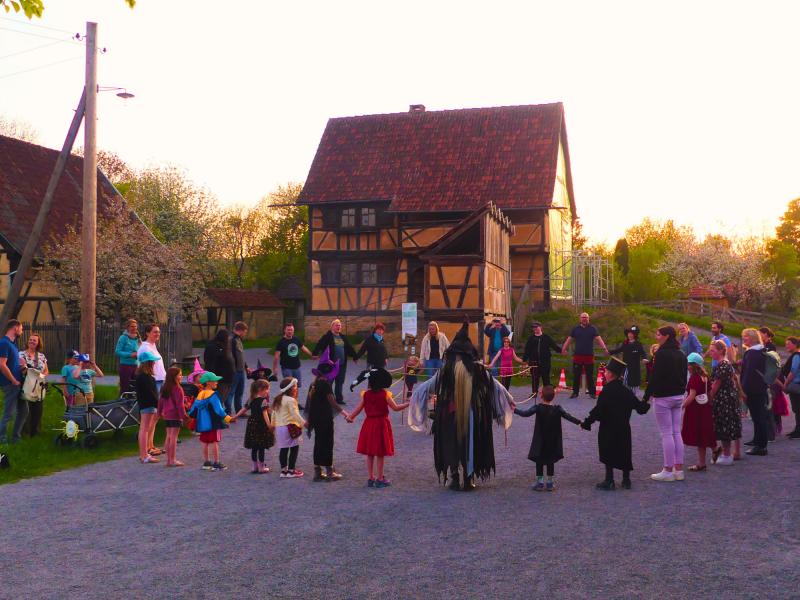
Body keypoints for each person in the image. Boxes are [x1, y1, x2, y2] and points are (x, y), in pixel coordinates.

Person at [408, 315, 515, 491]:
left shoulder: (446, 369)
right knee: (471, 442)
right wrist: (509, 400)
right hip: (472, 413)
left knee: (451, 443)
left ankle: (455, 478)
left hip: (449, 414)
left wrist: (414, 398)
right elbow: (495, 385)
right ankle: (468, 477)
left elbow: (427, 387)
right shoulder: (478, 369)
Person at [581, 357, 651, 490]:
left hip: (608, 427)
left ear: (611, 374)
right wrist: (646, 401)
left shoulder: (606, 391)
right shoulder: (626, 391)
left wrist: (587, 422)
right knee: (624, 450)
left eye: (606, 372)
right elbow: (640, 408)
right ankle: (626, 480)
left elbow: (598, 410)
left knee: (608, 451)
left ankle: (609, 480)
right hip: (624, 426)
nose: (604, 374)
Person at [346, 367, 409, 488]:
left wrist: (350, 416)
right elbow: (395, 408)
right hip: (381, 424)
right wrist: (409, 403)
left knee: (370, 452)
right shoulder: (385, 394)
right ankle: (380, 478)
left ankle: (370, 478)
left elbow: (358, 408)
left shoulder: (366, 394)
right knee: (380, 452)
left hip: (369, 424)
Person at [513, 385, 582, 491]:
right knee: (551, 460)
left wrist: (514, 409)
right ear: (554, 397)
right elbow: (568, 416)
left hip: (540, 439)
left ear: (541, 396)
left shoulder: (538, 407)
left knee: (539, 460)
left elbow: (525, 413)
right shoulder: (558, 409)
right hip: (552, 439)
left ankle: (540, 483)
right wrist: (580, 422)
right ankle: (550, 483)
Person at [643, 326, 688, 482]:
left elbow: (655, 376)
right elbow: (684, 374)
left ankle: (668, 470)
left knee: (666, 433)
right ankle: (678, 469)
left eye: (659, 335)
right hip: (678, 395)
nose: (657, 337)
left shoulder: (661, 353)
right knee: (676, 432)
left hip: (663, 396)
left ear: (666, 336)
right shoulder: (681, 353)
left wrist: (646, 395)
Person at [306, 349, 351, 482]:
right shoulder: (326, 385)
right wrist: (345, 413)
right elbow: (332, 401)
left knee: (318, 443)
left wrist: (309, 419)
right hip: (325, 418)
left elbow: (309, 403)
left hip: (315, 418)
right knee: (327, 443)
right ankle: (330, 471)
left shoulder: (313, 384)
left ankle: (317, 472)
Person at [188, 372, 237, 471]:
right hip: (213, 422)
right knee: (214, 441)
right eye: (214, 381)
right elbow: (219, 410)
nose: (217, 382)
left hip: (202, 423)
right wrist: (228, 419)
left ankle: (207, 462)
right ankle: (216, 462)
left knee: (205, 442)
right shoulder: (213, 395)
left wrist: (187, 417)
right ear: (208, 382)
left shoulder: (200, 394)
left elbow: (194, 408)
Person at [681, 353, 719, 471]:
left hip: (695, 409)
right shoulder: (705, 377)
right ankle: (703, 460)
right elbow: (709, 394)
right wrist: (710, 405)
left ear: (694, 366)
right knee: (703, 434)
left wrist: (681, 406)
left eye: (689, 365)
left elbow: (692, 395)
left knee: (698, 433)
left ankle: (705, 459)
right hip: (705, 408)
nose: (687, 367)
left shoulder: (694, 378)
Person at [561, 312, 610, 399]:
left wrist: (605, 349)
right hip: (578, 355)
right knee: (576, 375)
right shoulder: (575, 329)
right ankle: (575, 392)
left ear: (588, 319)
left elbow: (599, 339)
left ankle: (592, 393)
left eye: (586, 318)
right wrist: (563, 349)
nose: (584, 319)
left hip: (589, 355)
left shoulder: (592, 328)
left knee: (590, 375)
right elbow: (569, 339)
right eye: (583, 317)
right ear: (580, 319)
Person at [709, 340, 742, 463]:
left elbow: (715, 386)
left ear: (721, 351)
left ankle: (727, 455)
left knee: (725, 426)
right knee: (723, 425)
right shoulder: (723, 364)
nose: (711, 353)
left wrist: (707, 399)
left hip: (725, 400)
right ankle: (725, 454)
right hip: (725, 398)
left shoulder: (723, 365)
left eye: (713, 351)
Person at [312, 319, 358, 407]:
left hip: (341, 365)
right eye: (336, 325)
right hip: (330, 365)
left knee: (340, 382)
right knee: (329, 382)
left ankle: (339, 399)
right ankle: (327, 399)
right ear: (332, 327)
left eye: (339, 325)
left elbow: (348, 348)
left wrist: (355, 356)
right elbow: (319, 344)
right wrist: (315, 353)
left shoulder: (342, 337)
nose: (338, 327)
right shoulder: (327, 337)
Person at [234, 379, 275, 474]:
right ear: (260, 389)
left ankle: (254, 465)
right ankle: (262, 465)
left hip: (252, 423)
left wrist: (235, 417)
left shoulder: (251, 399)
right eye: (267, 389)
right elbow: (265, 414)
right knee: (261, 445)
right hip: (261, 424)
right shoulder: (263, 401)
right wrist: (269, 425)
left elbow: (243, 409)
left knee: (254, 445)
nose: (268, 391)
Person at [740, 328, 769, 456]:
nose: (743, 338)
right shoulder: (761, 351)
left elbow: (748, 374)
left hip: (753, 390)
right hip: (760, 387)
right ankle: (759, 442)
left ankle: (761, 447)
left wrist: (743, 391)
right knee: (760, 416)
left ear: (752, 337)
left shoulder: (752, 353)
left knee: (757, 418)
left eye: (746, 336)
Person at [271, 377, 306, 478]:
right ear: (289, 388)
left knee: (283, 449)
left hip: (280, 428)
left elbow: (274, 412)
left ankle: (283, 471)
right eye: (294, 386)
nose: (296, 388)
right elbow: (295, 414)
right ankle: (291, 470)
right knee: (294, 448)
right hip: (290, 427)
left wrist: (273, 424)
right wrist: (303, 423)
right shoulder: (291, 400)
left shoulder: (278, 398)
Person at [0, 320, 25, 446]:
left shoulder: (13, 344)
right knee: (9, 413)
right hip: (10, 384)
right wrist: (13, 380)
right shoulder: (4, 343)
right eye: (21, 328)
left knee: (23, 410)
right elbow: (2, 365)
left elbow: (11, 364)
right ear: (15, 328)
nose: (22, 330)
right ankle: (2, 441)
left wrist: (20, 367)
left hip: (18, 384)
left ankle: (16, 439)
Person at [158, 366, 188, 467]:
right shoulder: (178, 388)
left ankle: (168, 460)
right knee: (174, 437)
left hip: (167, 414)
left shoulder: (164, 387)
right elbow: (179, 405)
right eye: (180, 375)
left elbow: (161, 401)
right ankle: (173, 460)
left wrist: (159, 412)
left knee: (169, 436)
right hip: (175, 415)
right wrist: (184, 417)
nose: (181, 376)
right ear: (174, 377)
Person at [522, 321, 560, 400]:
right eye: (534, 327)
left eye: (537, 327)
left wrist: (561, 351)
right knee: (535, 378)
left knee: (545, 378)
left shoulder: (546, 337)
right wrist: (524, 359)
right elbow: (527, 350)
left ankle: (548, 394)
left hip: (545, 361)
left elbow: (554, 345)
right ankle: (534, 392)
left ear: (540, 327)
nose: (535, 328)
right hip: (534, 362)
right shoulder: (531, 339)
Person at [19, 333, 48, 437]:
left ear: (38, 343)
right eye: (30, 340)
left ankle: (36, 433)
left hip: (39, 385)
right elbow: (22, 368)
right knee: (26, 409)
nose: (32, 342)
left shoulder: (41, 356)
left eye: (34, 340)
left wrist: (42, 377)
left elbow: (46, 370)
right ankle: (25, 433)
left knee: (38, 409)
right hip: (27, 383)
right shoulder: (21, 354)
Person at [136, 352, 162, 464]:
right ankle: (144, 454)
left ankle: (144, 454)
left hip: (145, 404)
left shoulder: (141, 377)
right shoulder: (147, 378)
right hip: (148, 405)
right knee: (145, 428)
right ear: (148, 363)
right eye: (152, 361)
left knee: (145, 428)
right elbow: (152, 394)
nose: (154, 363)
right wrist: (159, 406)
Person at [203, 329, 236, 415]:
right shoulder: (213, 348)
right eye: (228, 337)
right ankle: (215, 420)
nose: (229, 339)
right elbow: (210, 365)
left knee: (221, 400)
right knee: (217, 401)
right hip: (220, 380)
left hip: (228, 379)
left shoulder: (222, 347)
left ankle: (218, 419)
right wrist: (212, 379)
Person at [608, 325, 646, 395]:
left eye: (631, 334)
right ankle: (624, 393)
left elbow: (642, 353)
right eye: (629, 333)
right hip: (625, 365)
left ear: (634, 335)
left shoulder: (638, 344)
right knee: (624, 378)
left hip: (634, 366)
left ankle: (633, 394)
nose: (630, 335)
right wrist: (609, 352)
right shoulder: (625, 343)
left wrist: (645, 358)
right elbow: (619, 350)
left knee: (634, 381)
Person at [273, 323, 311, 387]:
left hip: (297, 367)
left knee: (297, 386)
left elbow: (303, 348)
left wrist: (312, 355)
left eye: (291, 330)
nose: (290, 331)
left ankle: (295, 397)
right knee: (289, 387)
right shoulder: (281, 342)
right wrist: (274, 368)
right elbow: (276, 356)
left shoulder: (296, 339)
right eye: (288, 330)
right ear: (284, 330)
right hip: (287, 368)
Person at [228, 322, 251, 417]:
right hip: (235, 370)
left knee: (240, 391)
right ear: (240, 330)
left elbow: (240, 354)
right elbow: (231, 355)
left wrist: (246, 366)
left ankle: (239, 411)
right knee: (231, 392)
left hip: (241, 369)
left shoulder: (238, 339)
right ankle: (228, 412)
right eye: (244, 332)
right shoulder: (232, 339)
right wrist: (233, 368)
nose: (244, 334)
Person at [780, 337, 800, 439]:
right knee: (796, 408)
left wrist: (786, 383)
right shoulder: (794, 356)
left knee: (798, 408)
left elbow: (793, 371)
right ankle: (797, 429)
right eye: (786, 344)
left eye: (789, 344)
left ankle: (798, 431)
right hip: (796, 385)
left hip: (796, 385)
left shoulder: (796, 356)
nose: (786, 346)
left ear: (795, 344)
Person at [138, 324, 167, 393]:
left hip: (158, 380)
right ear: (147, 333)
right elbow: (146, 366)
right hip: (153, 381)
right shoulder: (145, 348)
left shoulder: (153, 346)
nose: (158, 334)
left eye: (159, 332)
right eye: (155, 332)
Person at [115, 319, 141, 394]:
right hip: (126, 365)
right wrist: (130, 354)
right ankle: (122, 401)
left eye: (135, 326)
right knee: (125, 387)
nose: (134, 328)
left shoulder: (137, 338)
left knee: (133, 387)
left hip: (135, 365)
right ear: (128, 327)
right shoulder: (123, 338)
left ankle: (131, 403)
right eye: (132, 326)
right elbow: (118, 351)